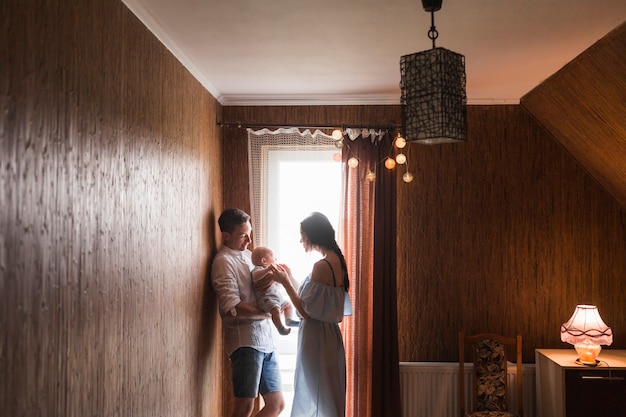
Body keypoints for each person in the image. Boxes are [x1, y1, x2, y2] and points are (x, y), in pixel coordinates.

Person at [271, 212, 352, 417]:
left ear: (312, 236)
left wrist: (284, 282)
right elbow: (312, 302)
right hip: (329, 336)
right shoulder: (335, 261)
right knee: (325, 393)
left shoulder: (322, 265)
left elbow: (305, 311)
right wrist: (289, 276)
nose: (301, 240)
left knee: (314, 392)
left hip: (316, 338)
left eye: (302, 235)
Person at [211, 208, 285, 417]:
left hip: (266, 341)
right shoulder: (223, 261)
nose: (248, 240)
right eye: (243, 235)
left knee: (277, 404)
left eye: (249, 233)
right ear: (226, 236)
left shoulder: (250, 256)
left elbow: (263, 290)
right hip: (245, 343)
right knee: (245, 407)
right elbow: (231, 305)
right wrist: (266, 314)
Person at [251, 246, 299, 335]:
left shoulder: (270, 272)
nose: (275, 259)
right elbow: (255, 276)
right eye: (273, 257)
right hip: (267, 299)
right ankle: (280, 328)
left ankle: (289, 320)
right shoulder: (259, 269)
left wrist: (285, 274)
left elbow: (280, 283)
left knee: (288, 304)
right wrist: (268, 269)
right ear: (264, 261)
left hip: (277, 298)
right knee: (275, 311)